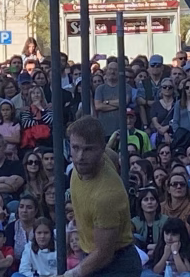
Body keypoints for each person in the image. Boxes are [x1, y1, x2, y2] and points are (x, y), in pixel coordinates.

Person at [63, 115, 141, 276]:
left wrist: (71, 274)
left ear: (101, 148)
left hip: (115, 264)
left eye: (88, 149)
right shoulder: (106, 157)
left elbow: (104, 254)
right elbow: (113, 157)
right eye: (75, 147)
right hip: (93, 254)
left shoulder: (106, 196)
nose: (79, 157)